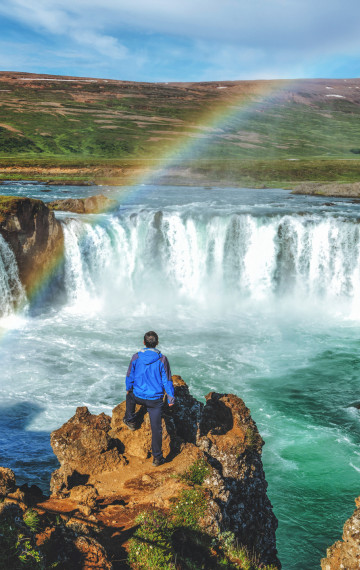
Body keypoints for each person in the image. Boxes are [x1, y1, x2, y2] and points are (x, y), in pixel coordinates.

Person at [123, 331, 175, 466]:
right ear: (157, 343)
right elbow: (167, 380)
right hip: (155, 401)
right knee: (156, 429)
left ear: (144, 343)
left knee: (129, 395)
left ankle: (131, 421)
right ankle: (157, 458)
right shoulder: (162, 359)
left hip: (138, 397)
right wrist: (170, 399)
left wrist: (128, 388)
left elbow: (130, 376)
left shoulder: (136, 357)